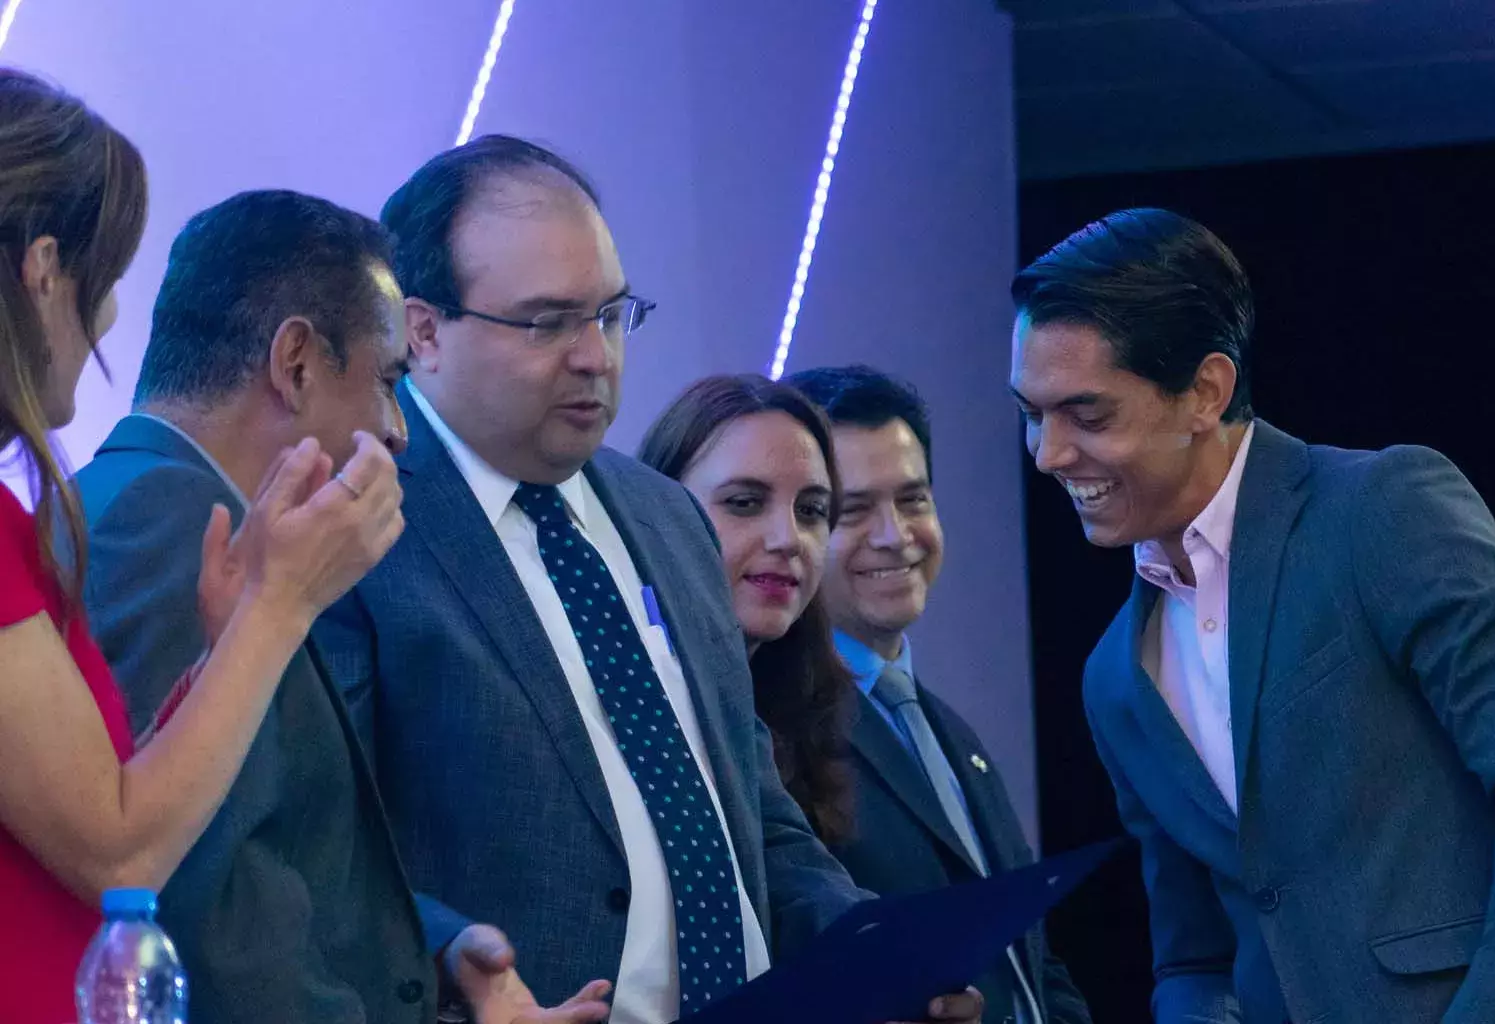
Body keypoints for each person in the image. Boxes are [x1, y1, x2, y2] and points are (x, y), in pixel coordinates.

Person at [311, 135, 981, 1024]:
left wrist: (873, 945)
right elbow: (325, 849)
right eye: (548, 321)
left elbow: (754, 814)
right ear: (425, 331)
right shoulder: (355, 527)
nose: (595, 355)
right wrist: (451, 961)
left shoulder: (665, 518)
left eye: (611, 314)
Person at [1009, 208, 1495, 1024]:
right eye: (1032, 413)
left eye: (1088, 416)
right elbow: (1196, 956)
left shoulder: (1380, 509)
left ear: (1206, 391)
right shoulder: (1114, 676)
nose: (1049, 453)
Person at [70, 189, 610, 1024]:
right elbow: (201, 907)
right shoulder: (166, 522)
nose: (397, 428)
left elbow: (282, 849)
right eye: (389, 381)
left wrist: (430, 946)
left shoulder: (174, 509)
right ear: (295, 363)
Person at [0, 70, 400, 1023]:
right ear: (43, 269)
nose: (105, 324)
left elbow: (96, 793)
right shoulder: (144, 516)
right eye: (104, 281)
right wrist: (277, 608)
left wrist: (232, 643)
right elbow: (124, 857)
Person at [782, 365, 1094, 1024]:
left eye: (914, 499)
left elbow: (1032, 964)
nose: (896, 536)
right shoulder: (777, 733)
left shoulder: (948, 734)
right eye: (852, 510)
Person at [636, 374, 858, 848]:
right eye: (744, 503)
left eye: (812, 510)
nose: (788, 539)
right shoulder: (621, 702)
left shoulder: (830, 716)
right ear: (653, 511)